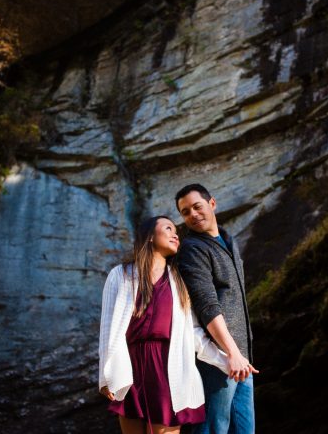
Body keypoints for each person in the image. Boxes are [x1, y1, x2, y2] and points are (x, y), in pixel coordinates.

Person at [98, 215, 230, 434]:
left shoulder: (179, 281)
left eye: (176, 231)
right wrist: (105, 376)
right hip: (129, 366)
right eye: (168, 228)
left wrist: (227, 360)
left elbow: (194, 333)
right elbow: (107, 329)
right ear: (150, 236)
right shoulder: (120, 275)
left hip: (167, 365)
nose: (175, 234)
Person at [175, 184, 258, 434]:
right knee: (213, 428)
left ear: (212, 203)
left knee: (245, 430)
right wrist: (230, 353)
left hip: (242, 357)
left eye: (197, 206)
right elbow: (206, 304)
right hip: (218, 357)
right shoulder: (192, 249)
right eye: (185, 211)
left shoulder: (228, 242)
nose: (193, 214)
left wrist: (240, 354)